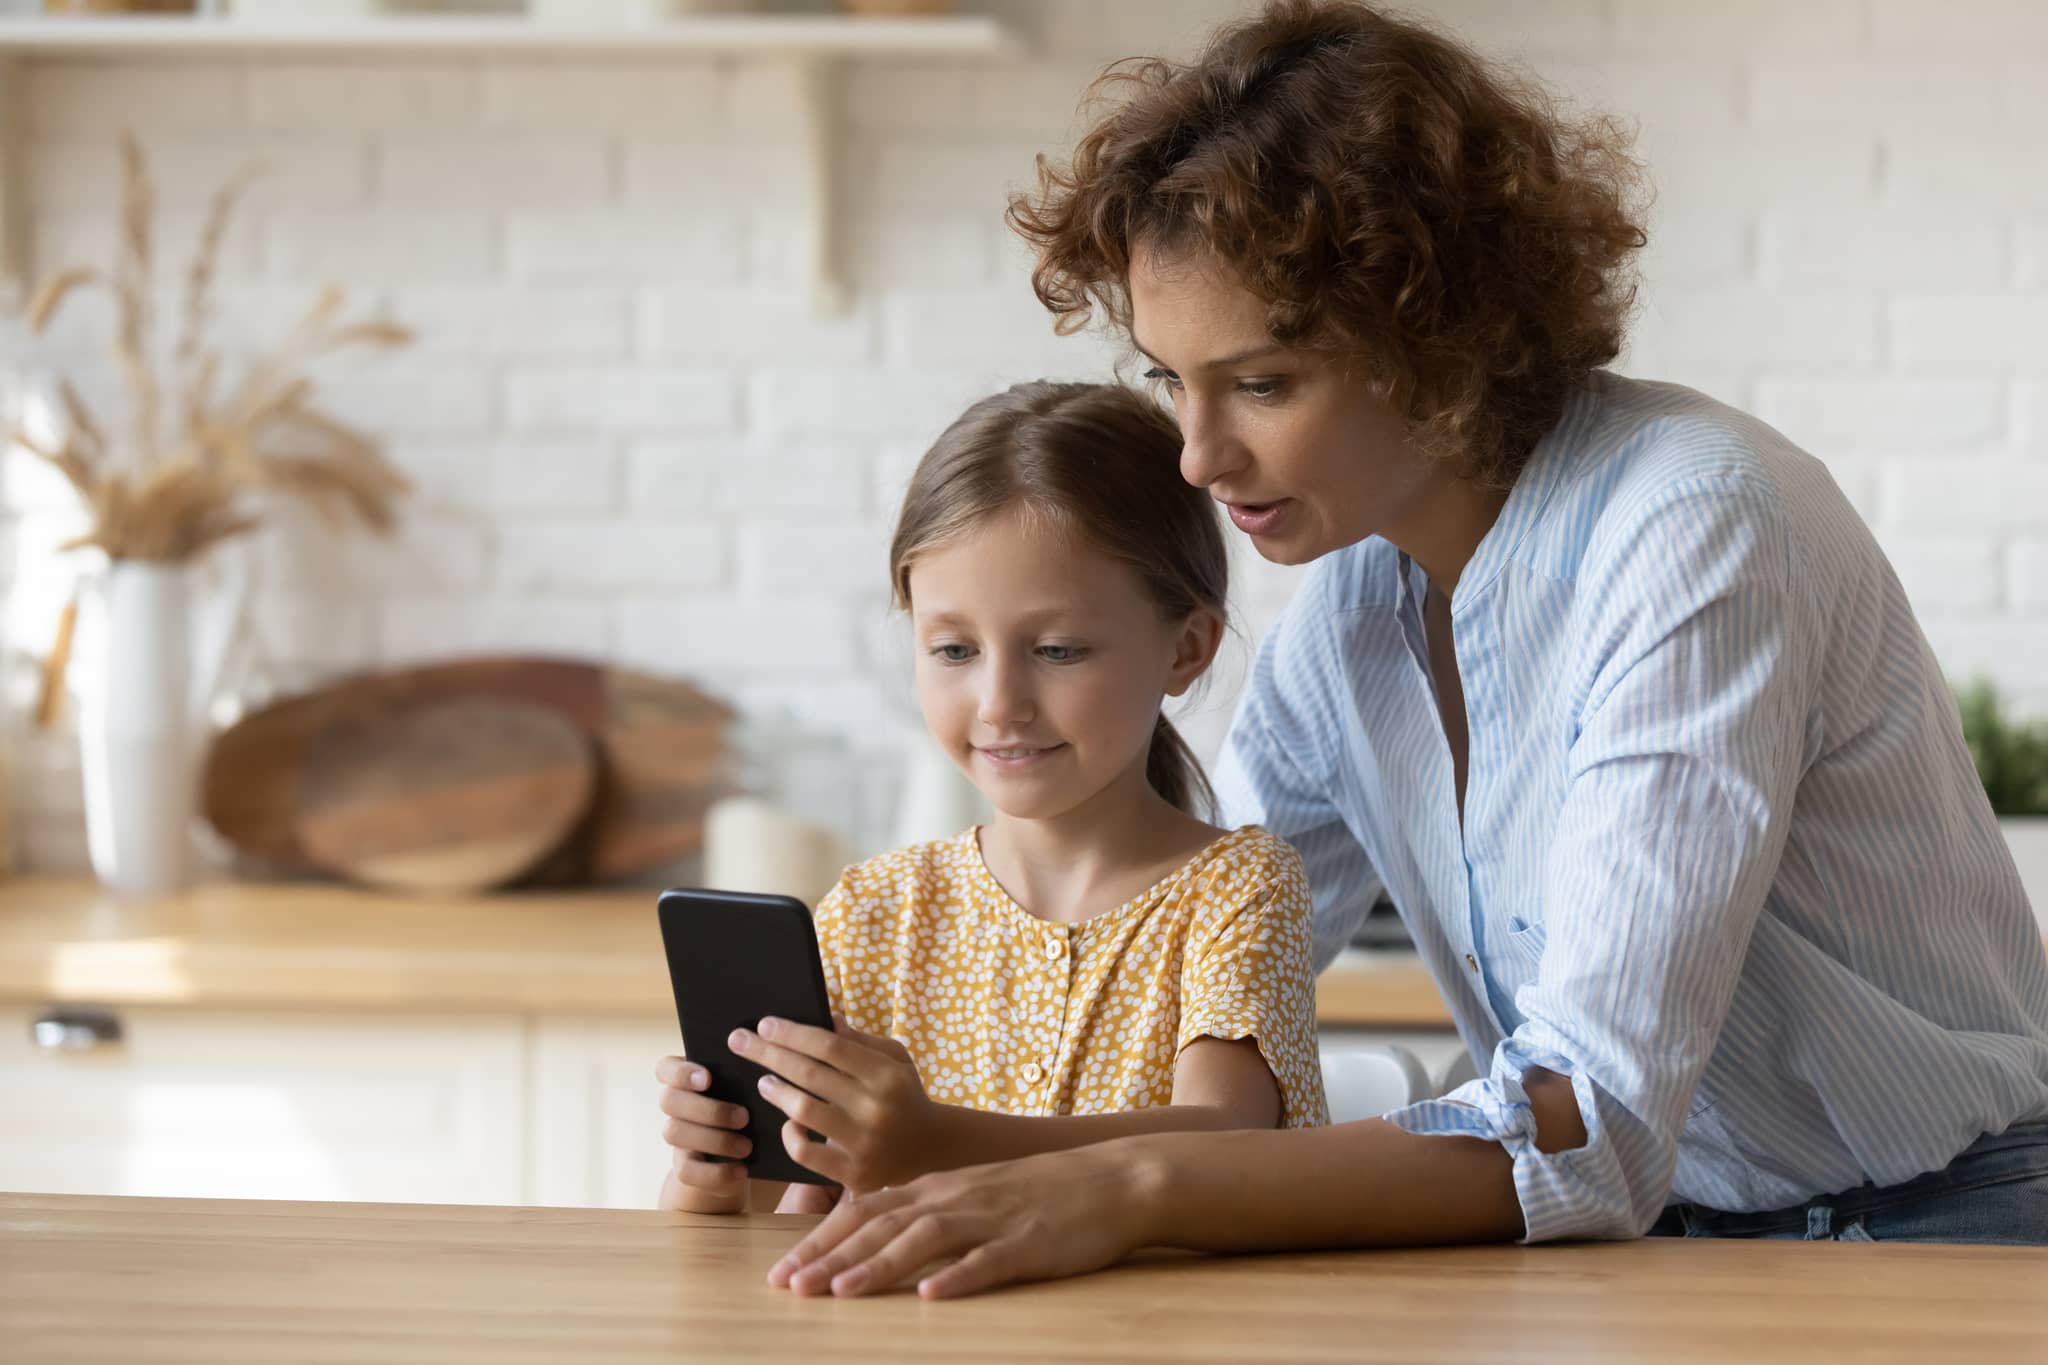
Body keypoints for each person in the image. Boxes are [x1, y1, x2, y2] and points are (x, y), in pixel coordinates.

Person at [764, 0, 2048, 1298]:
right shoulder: (1350, 606)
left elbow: (1587, 1117)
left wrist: (1126, 1182)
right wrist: (833, 1139)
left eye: (1262, 384)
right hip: (1645, 1251)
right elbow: (1189, 959)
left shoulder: (1699, 525)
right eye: (1171, 382)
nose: (1200, 459)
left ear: (1441, 336)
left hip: (1943, 1234)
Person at [654, 381, 1330, 1218]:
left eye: (1056, 648)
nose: (999, 700)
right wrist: (707, 1175)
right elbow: (788, 1222)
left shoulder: (1238, 888)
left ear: (1186, 647)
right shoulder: (876, 913)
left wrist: (936, 1141)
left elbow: (1225, 1141)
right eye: (953, 648)